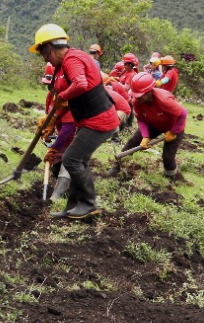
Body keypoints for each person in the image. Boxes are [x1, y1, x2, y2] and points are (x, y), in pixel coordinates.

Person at [31, 24, 119, 220]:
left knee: (71, 159)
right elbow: (67, 99)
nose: (44, 59)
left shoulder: (72, 59)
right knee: (79, 161)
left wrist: (62, 96)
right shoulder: (62, 65)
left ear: (49, 48)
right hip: (87, 120)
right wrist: (54, 118)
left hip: (99, 121)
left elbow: (80, 83)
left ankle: (89, 204)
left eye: (43, 53)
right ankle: (72, 206)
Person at [109, 72, 188, 181]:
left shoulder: (164, 100)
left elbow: (182, 114)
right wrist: (145, 136)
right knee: (132, 143)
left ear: (149, 91)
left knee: (168, 157)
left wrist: (174, 131)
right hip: (153, 124)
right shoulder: (137, 101)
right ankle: (117, 168)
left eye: (139, 95)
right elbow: (141, 119)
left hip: (173, 126)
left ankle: (171, 178)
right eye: (135, 94)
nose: (136, 98)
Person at [41, 62, 76, 203]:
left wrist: (54, 148)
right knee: (55, 168)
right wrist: (47, 128)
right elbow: (49, 116)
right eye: (49, 86)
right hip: (64, 138)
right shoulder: (51, 96)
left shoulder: (72, 100)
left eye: (52, 86)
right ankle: (69, 192)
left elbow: (68, 129)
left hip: (77, 139)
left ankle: (62, 197)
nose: (51, 89)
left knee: (67, 166)